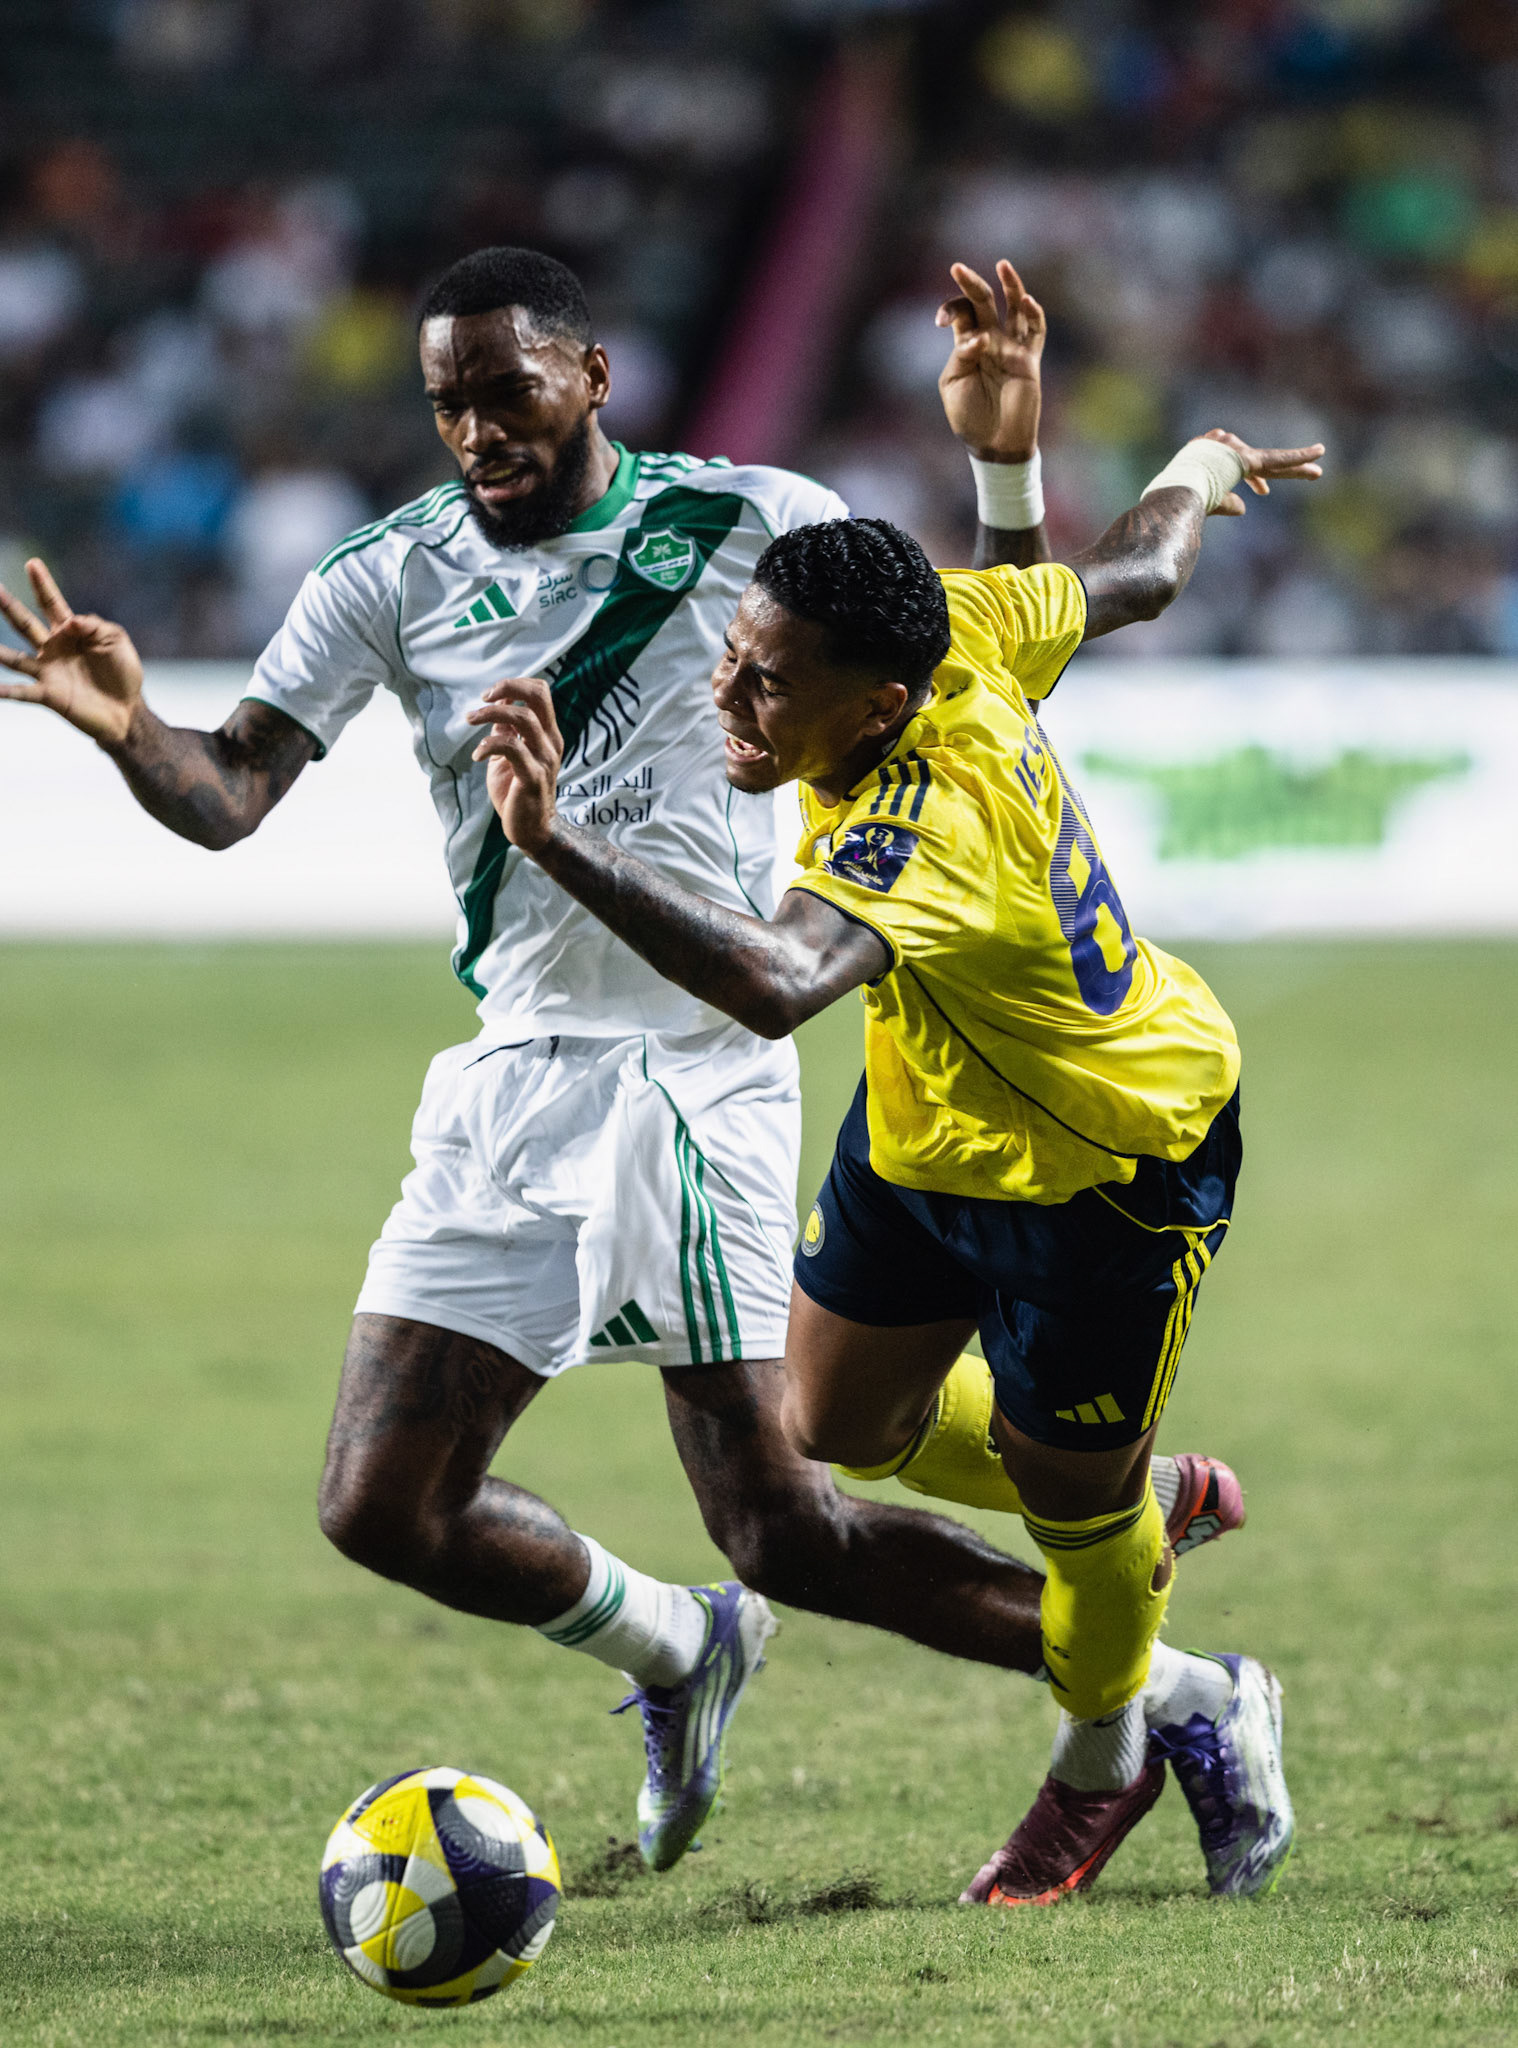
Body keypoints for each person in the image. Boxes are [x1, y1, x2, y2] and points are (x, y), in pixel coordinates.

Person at [0, 244, 1239, 1891]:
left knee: (789, 1516)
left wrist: (1019, 461)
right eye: (446, 404)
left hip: (699, 1062)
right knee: (382, 1507)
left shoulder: (753, 519)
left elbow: (967, 649)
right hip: (515, 1066)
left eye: (505, 391)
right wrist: (131, 727)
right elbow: (231, 796)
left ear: (592, 376)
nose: (477, 430)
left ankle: (1174, 1698)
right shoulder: (383, 574)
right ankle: (678, 1646)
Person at [460, 420, 1323, 1904]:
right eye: (736, 652)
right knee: (835, 1426)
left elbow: (779, 981)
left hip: (1105, 1168)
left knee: (1076, 1519)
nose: (728, 690)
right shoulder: (948, 622)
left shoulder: (930, 822)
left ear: (885, 706)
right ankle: (1150, 1494)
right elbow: (1129, 577)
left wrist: (552, 841)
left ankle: (1110, 1757)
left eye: (768, 682)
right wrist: (1192, 463)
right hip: (931, 1124)